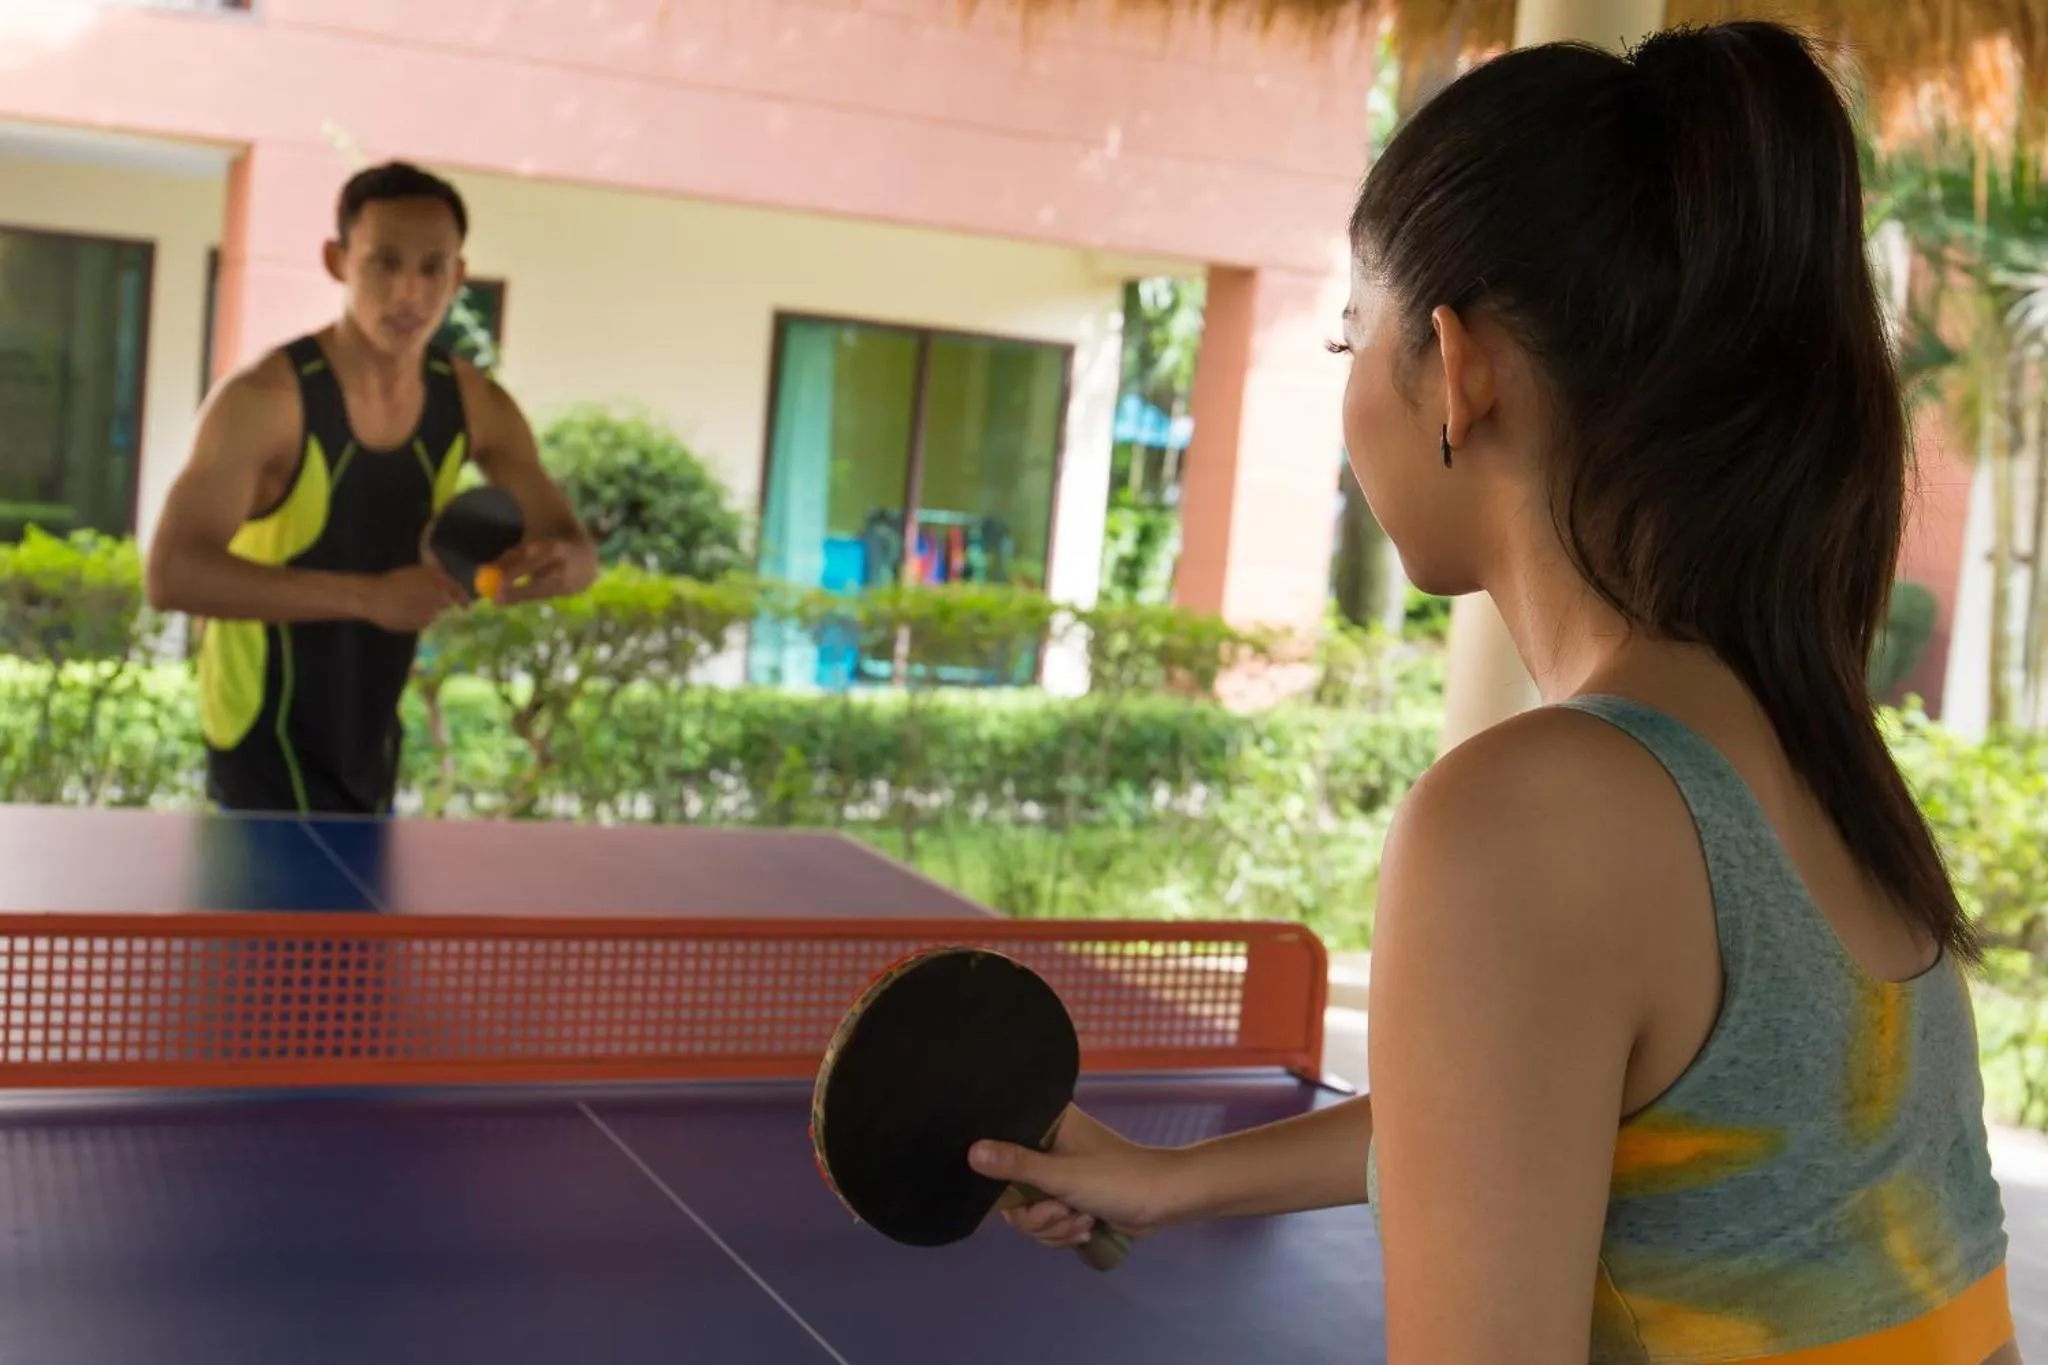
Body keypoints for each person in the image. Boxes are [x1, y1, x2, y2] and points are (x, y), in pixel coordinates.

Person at [970, 21, 2018, 1365]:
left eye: (1357, 331)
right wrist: (1173, 1181)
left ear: (1460, 371)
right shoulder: (1799, 744)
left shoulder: (1530, 821)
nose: (1347, 390)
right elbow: (1564, 1107)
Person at [147, 161, 596, 816]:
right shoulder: (264, 401)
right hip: (259, 742)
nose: (409, 292)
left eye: (431, 268)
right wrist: (368, 598)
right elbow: (172, 574)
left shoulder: (476, 405)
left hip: (372, 738)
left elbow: (575, 550)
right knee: (288, 920)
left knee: (360, 914)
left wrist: (558, 566)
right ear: (338, 260)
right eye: (384, 262)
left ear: (458, 278)